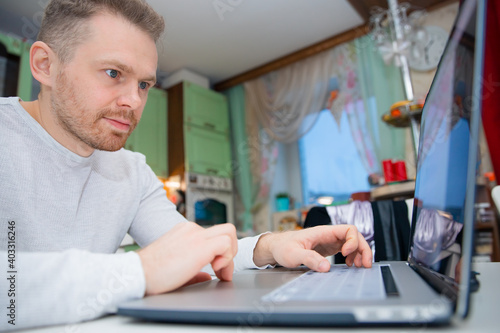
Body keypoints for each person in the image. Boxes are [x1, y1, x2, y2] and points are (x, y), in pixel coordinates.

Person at [0, 0, 372, 330]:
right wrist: (141, 271)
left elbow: (197, 252)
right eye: (114, 73)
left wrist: (272, 247)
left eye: (145, 84)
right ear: (45, 65)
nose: (134, 100)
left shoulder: (132, 171)